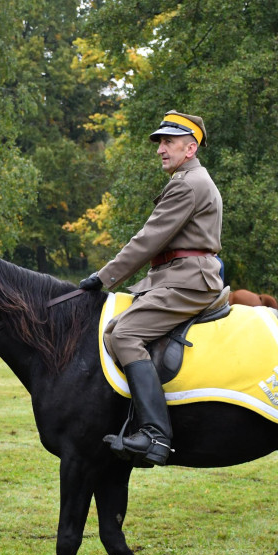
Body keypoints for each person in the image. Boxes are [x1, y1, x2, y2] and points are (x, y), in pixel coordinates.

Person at [79, 110, 223, 466]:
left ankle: (156, 434)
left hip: (188, 282)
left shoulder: (187, 184)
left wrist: (104, 277)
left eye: (168, 143)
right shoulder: (192, 179)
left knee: (124, 334)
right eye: (160, 143)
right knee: (114, 330)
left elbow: (148, 240)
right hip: (180, 276)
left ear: (190, 149)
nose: (160, 149)